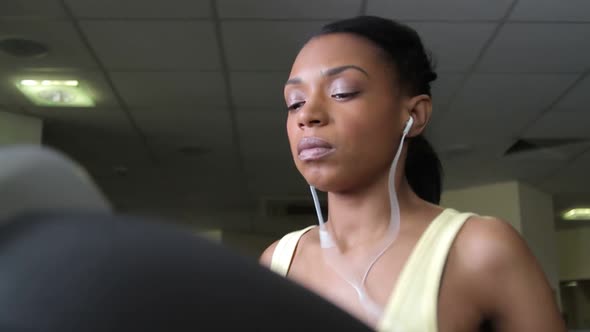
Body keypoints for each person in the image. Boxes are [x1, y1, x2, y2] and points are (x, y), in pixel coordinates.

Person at [260, 16, 565, 332]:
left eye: (342, 92)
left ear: (414, 115)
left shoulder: (478, 249)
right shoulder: (278, 262)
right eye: (295, 103)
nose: (307, 116)